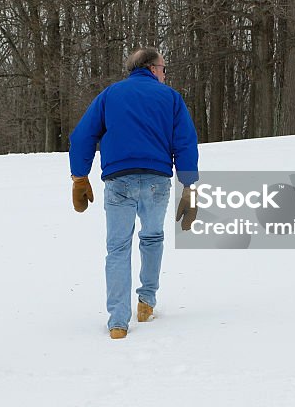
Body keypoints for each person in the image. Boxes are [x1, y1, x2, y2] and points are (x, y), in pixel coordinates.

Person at [68, 48, 199, 339]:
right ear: (152, 68)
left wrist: (80, 177)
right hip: (156, 181)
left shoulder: (110, 95)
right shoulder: (171, 99)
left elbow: (82, 136)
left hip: (118, 180)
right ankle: (146, 302)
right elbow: (186, 143)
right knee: (152, 238)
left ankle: (117, 321)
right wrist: (189, 187)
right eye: (164, 69)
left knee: (118, 248)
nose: (166, 74)